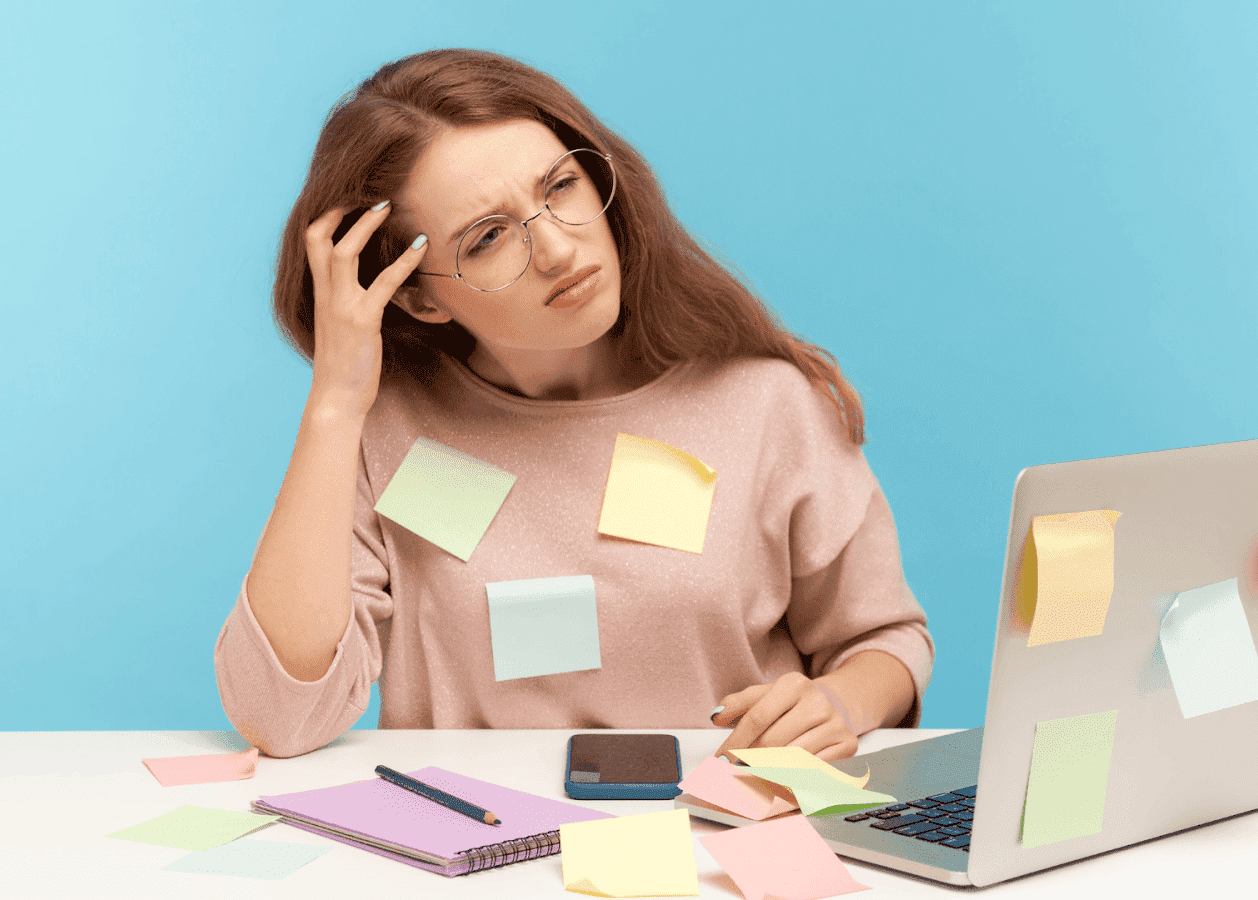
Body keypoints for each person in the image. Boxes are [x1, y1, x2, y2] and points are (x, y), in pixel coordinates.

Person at [214, 48, 932, 761]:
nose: (559, 249)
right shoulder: (389, 429)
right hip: (485, 850)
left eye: (560, 187)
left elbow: (884, 640)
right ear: (417, 294)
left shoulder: (766, 403)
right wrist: (335, 404)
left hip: (725, 839)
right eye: (489, 237)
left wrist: (840, 701)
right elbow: (279, 716)